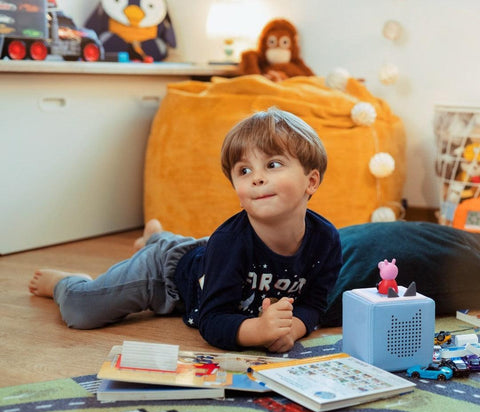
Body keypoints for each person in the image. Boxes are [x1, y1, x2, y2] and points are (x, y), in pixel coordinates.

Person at [29, 108, 342, 353]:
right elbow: (212, 321)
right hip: (167, 276)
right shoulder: (229, 243)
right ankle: (66, 282)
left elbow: (314, 304)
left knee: (199, 253)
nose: (257, 178)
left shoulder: (326, 241)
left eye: (272, 164)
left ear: (311, 181)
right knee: (83, 311)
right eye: (244, 170)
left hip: (204, 263)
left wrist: (292, 330)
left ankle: (156, 235)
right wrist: (258, 331)